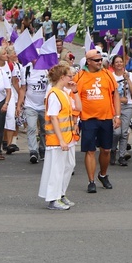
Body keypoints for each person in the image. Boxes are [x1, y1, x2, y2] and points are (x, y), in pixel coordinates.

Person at [74, 49, 121, 193]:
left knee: (106, 149)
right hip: (88, 119)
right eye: (96, 60)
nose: (100, 62)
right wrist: (75, 121)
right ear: (88, 61)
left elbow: (115, 95)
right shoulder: (80, 76)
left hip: (106, 117)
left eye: (101, 60)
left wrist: (117, 116)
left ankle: (103, 174)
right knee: (90, 150)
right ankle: (91, 180)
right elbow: (74, 98)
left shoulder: (107, 74)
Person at [38, 62, 81, 210]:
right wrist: (61, 140)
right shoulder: (54, 94)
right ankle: (53, 199)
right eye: (70, 75)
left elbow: (79, 108)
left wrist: (75, 92)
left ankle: (61, 194)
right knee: (56, 169)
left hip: (68, 137)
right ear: (62, 77)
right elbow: (53, 118)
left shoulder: (65, 92)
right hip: (58, 139)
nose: (72, 78)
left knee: (69, 165)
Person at [18, 59, 50, 164]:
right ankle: (33, 151)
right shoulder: (26, 69)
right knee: (31, 128)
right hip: (30, 104)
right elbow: (23, 88)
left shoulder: (47, 69)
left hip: (44, 105)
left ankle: (43, 148)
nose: (36, 59)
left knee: (44, 129)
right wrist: (19, 104)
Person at [111, 54, 132, 166]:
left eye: (121, 62)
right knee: (116, 132)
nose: (119, 64)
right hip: (114, 106)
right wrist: (120, 99)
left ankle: (121, 155)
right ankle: (112, 150)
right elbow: (109, 93)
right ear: (113, 65)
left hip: (127, 107)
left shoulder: (129, 74)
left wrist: (128, 79)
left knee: (124, 133)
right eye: (116, 62)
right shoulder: (110, 76)